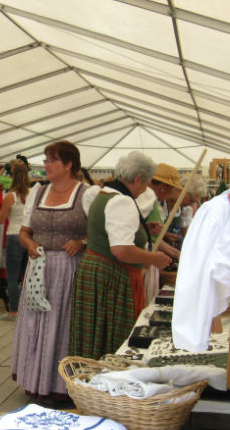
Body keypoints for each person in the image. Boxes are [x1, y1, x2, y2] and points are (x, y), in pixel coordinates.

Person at [12, 142, 96, 400]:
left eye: (52, 160)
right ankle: (33, 379)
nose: (46, 164)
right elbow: (24, 232)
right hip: (39, 268)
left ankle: (60, 385)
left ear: (69, 164)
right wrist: (30, 245)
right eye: (46, 160)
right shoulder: (37, 192)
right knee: (35, 322)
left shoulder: (88, 194)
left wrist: (82, 242)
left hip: (69, 270)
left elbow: (100, 234)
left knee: (62, 324)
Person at [68, 151, 172, 360]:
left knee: (94, 334)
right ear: (137, 179)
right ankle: (104, 382)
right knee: (111, 336)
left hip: (97, 273)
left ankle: (89, 381)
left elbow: (112, 232)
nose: (146, 189)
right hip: (110, 278)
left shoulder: (104, 194)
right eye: (146, 184)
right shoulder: (122, 202)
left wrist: (143, 228)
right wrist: (154, 258)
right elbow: (121, 250)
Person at [0, 160, 30, 321]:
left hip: (14, 236)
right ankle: (28, 309)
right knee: (27, 275)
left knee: (13, 277)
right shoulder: (33, 195)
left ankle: (14, 312)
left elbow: (1, 219)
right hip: (28, 237)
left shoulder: (10, 196)